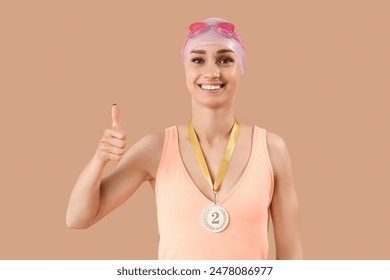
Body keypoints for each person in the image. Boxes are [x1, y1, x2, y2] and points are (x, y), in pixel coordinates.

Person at [66, 17, 303, 260]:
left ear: (241, 68)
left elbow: (291, 255)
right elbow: (77, 217)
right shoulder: (155, 149)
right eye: (198, 60)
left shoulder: (272, 149)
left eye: (225, 60)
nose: (211, 72)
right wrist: (100, 159)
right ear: (185, 69)